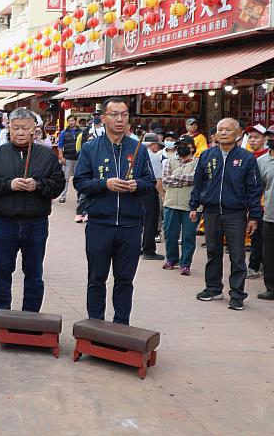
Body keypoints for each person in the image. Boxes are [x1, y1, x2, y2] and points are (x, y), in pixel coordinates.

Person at [0, 108, 65, 328]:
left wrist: (38, 185)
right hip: (4, 221)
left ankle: (30, 318)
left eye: (25, 128)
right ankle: (1, 315)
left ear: (35, 130)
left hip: (36, 222)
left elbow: (58, 184)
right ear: (8, 128)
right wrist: (8, 185)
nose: (20, 132)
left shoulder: (46, 155)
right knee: (2, 271)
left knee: (34, 271)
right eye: (16, 128)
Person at [74, 97, 156, 325]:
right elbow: (80, 182)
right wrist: (104, 184)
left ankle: (121, 326)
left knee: (125, 280)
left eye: (124, 115)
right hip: (100, 224)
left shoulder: (138, 149)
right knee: (96, 278)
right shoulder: (91, 148)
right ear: (104, 118)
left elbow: (150, 183)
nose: (120, 119)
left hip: (130, 226)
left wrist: (136, 185)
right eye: (114, 114)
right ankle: (95, 325)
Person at [189, 118, 263, 311]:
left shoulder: (246, 158)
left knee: (237, 256)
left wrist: (254, 216)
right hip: (211, 212)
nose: (223, 133)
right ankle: (213, 288)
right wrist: (194, 206)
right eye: (220, 129)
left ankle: (237, 294)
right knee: (213, 252)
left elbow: (254, 189)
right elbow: (199, 184)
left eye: (228, 130)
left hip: (236, 214)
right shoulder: (206, 156)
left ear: (238, 134)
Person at [161, 135, 199, 275]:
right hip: (171, 203)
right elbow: (165, 181)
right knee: (170, 234)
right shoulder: (169, 161)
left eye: (185, 145)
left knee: (188, 236)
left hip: (190, 205)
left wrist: (175, 176)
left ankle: (186, 263)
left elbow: (195, 178)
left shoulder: (198, 162)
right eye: (179, 146)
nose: (181, 148)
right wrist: (182, 178)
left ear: (192, 148)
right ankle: (172, 259)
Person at [245, 124, 268, 278]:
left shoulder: (267, 157)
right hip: (251, 205)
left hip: (264, 205)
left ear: (265, 139)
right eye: (250, 137)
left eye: (256, 137)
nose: (252, 141)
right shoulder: (247, 156)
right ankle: (255, 266)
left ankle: (256, 266)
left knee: (261, 239)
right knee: (255, 237)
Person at [140, 133, 165, 261]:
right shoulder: (153, 157)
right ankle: (148, 250)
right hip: (149, 192)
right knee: (150, 222)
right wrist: (162, 196)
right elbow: (158, 180)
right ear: (153, 145)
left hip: (137, 190)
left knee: (139, 221)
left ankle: (138, 247)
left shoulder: (137, 154)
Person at [256, 129, 274, 301]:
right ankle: (271, 288)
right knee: (269, 254)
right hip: (270, 214)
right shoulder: (262, 161)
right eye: (271, 137)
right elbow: (257, 188)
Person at [57, 115, 82, 204]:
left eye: (72, 120)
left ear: (75, 121)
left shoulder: (81, 132)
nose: (71, 122)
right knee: (65, 178)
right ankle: (63, 196)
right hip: (67, 158)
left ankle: (80, 197)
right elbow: (60, 146)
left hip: (79, 159)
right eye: (69, 121)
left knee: (79, 178)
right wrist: (61, 157)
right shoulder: (64, 133)